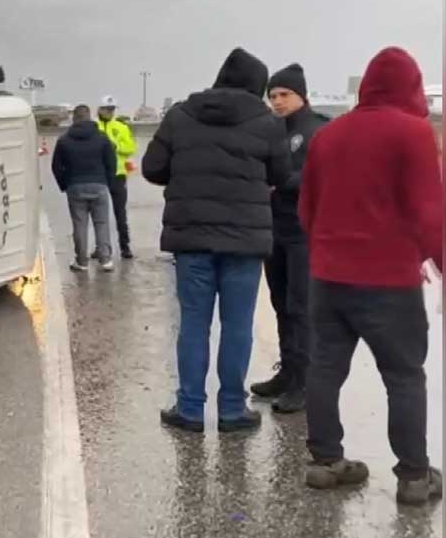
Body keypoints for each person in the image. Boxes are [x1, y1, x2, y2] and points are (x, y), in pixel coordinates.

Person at [298, 46, 443, 505]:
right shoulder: (413, 133)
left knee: (324, 367)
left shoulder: (327, 135)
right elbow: (429, 213)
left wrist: (332, 250)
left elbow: (307, 212)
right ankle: (414, 478)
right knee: (403, 376)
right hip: (388, 283)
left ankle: (326, 462)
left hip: (327, 278)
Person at [141, 47, 289, 433]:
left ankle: (189, 409)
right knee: (237, 324)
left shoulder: (180, 116)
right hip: (245, 241)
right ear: (257, 87)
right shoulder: (267, 122)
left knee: (193, 323)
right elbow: (283, 174)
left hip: (191, 238)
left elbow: (152, 168)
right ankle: (231, 410)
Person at [249, 64, 330, 414]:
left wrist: (280, 182)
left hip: (304, 232)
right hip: (274, 229)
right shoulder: (272, 130)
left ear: (302, 95)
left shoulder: (319, 130)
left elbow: (319, 176)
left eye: (284, 95)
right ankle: (288, 370)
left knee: (301, 307)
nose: (278, 102)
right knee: (281, 304)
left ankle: (305, 380)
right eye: (273, 96)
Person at [52, 104, 117, 272]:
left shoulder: (64, 140)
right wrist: (107, 183)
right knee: (101, 223)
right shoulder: (102, 138)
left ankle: (81, 262)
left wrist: (65, 184)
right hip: (99, 185)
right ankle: (105, 260)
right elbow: (111, 163)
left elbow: (56, 166)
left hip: (75, 186)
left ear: (74, 118)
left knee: (79, 225)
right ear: (90, 117)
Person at [96, 96, 137, 259]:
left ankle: (125, 246)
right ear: (100, 110)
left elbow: (130, 148)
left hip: (118, 176)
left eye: (112, 109)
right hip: (99, 175)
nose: (110, 112)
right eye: (107, 109)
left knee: (120, 213)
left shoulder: (121, 127)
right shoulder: (94, 127)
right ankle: (100, 247)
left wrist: (117, 146)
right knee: (99, 215)